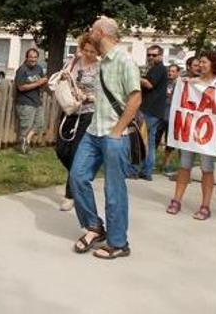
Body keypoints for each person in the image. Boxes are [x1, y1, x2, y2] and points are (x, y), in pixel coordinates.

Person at [70, 17, 141, 260]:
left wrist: (118, 130)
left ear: (100, 33)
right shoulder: (101, 64)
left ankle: (119, 243)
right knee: (77, 177)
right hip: (93, 131)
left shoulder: (124, 61)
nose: (89, 32)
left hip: (114, 135)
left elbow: (135, 99)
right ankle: (94, 226)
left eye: (92, 29)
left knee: (114, 190)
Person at [166, 51, 216, 221]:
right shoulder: (190, 82)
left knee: (206, 168)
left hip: (208, 134)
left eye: (204, 62)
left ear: (213, 64)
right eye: (199, 62)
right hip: (191, 131)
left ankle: (205, 205)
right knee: (184, 165)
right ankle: (176, 200)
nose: (200, 65)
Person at [55, 34, 99, 211]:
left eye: (92, 51)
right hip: (70, 110)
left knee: (75, 152)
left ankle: (70, 194)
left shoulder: (102, 67)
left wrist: (88, 97)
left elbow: (103, 93)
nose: (88, 54)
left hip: (88, 113)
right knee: (61, 150)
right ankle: (81, 174)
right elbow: (61, 80)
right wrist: (64, 77)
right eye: (85, 50)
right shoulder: (73, 61)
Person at [137, 45, 169, 180]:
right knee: (149, 141)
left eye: (154, 55)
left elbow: (149, 84)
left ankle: (142, 169)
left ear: (161, 56)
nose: (150, 57)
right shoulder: (156, 68)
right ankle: (147, 170)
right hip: (154, 110)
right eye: (149, 55)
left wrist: (135, 76)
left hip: (150, 110)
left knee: (143, 140)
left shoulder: (159, 68)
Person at [15, 48, 48, 154]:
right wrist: (38, 83)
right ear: (26, 57)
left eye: (35, 57)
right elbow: (21, 87)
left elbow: (42, 82)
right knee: (26, 126)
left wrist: (46, 82)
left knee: (40, 123)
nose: (33, 59)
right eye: (31, 57)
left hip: (37, 101)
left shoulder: (39, 68)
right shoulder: (22, 70)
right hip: (25, 102)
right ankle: (24, 148)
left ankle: (26, 142)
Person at [162, 64, 182, 177]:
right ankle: (165, 165)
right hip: (163, 115)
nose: (171, 73)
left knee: (171, 143)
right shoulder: (165, 83)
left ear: (178, 73)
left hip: (173, 117)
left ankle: (179, 166)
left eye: (173, 71)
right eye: (169, 71)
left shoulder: (180, 85)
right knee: (163, 141)